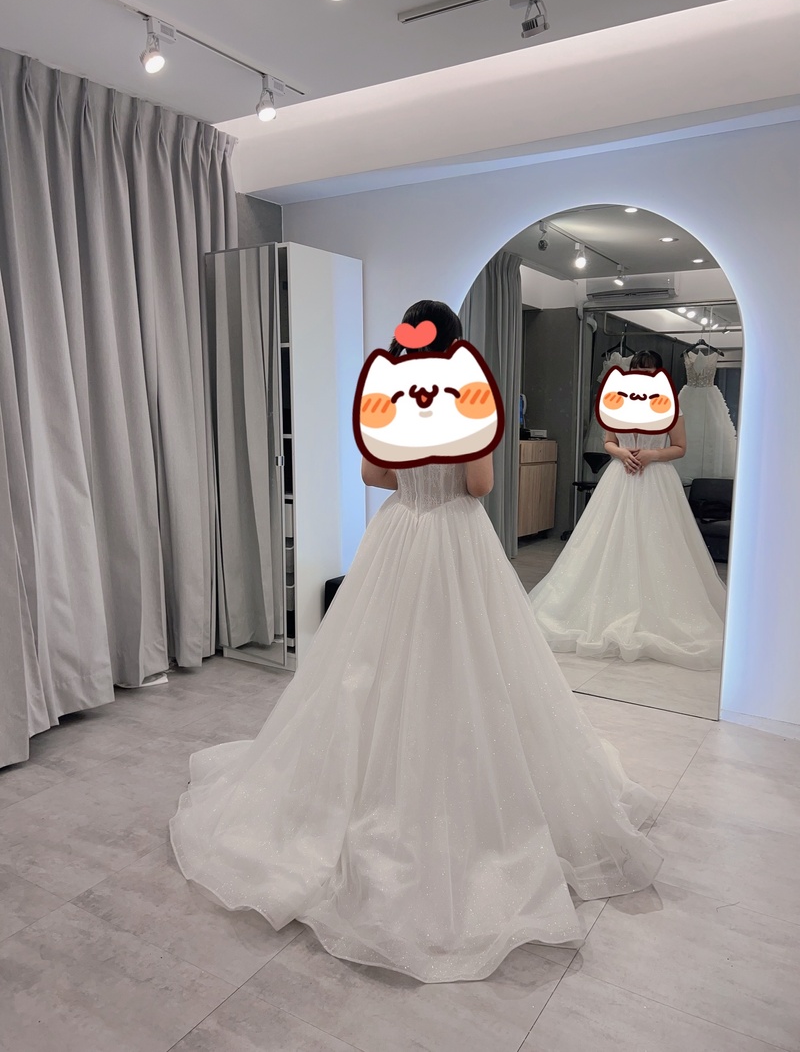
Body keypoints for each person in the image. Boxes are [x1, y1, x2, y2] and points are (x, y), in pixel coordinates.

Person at [169, 303, 663, 985]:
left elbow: (373, 476)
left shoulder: (394, 395)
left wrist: (411, 467)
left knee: (374, 666)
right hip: (455, 539)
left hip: (400, 534)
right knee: (471, 667)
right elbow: (480, 485)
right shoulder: (465, 394)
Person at [530, 349, 726, 671]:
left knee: (658, 545)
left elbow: (680, 447)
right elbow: (608, 441)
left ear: (659, 373)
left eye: (649, 371)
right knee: (606, 544)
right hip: (620, 478)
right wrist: (621, 454)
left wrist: (652, 455)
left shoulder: (670, 405)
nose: (643, 376)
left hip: (656, 480)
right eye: (638, 370)